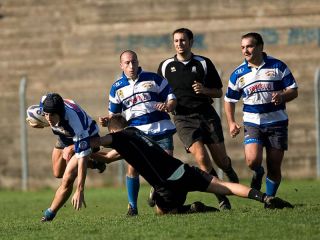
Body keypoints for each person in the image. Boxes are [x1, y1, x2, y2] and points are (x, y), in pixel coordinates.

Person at [41, 114, 293, 222]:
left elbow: (97, 143)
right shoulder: (136, 135)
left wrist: (76, 147)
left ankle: (190, 210)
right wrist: (98, 160)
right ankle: (265, 198)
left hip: (167, 184)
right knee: (224, 187)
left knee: (162, 212)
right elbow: (108, 157)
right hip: (183, 170)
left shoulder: (119, 136)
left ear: (113, 129)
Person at [157, 28, 238, 210]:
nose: (179, 44)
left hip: (206, 115)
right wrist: (166, 105)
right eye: (176, 41)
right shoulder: (165, 66)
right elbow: (160, 93)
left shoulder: (203, 62)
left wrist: (204, 90)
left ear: (191, 41)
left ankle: (228, 170)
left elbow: (218, 91)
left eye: (183, 40)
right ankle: (222, 198)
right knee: (202, 158)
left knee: (221, 160)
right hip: (183, 119)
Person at [99, 50, 177, 216]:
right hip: (136, 133)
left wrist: (168, 106)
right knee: (132, 167)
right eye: (127, 63)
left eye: (133, 62)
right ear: (121, 65)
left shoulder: (154, 79)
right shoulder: (116, 88)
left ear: (138, 62)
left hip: (161, 129)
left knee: (167, 168)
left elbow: (171, 98)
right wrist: (107, 121)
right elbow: (115, 117)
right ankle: (132, 207)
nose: (131, 66)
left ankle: (156, 192)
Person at [224, 32, 298, 203]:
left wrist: (282, 96)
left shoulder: (278, 66)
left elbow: (293, 91)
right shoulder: (238, 73)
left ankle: (270, 199)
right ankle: (257, 171)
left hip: (277, 122)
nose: (245, 50)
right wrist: (231, 122)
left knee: (274, 165)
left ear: (260, 47)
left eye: (249, 46)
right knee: (252, 160)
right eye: (242, 47)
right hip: (253, 123)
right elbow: (229, 100)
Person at [39, 93, 114, 222]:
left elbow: (82, 157)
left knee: (68, 178)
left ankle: (49, 214)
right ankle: (95, 162)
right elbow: (39, 112)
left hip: (87, 137)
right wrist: (38, 122)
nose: (49, 118)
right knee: (58, 172)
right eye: (46, 114)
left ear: (60, 113)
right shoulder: (46, 101)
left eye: (52, 115)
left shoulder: (76, 124)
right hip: (64, 135)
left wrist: (80, 190)